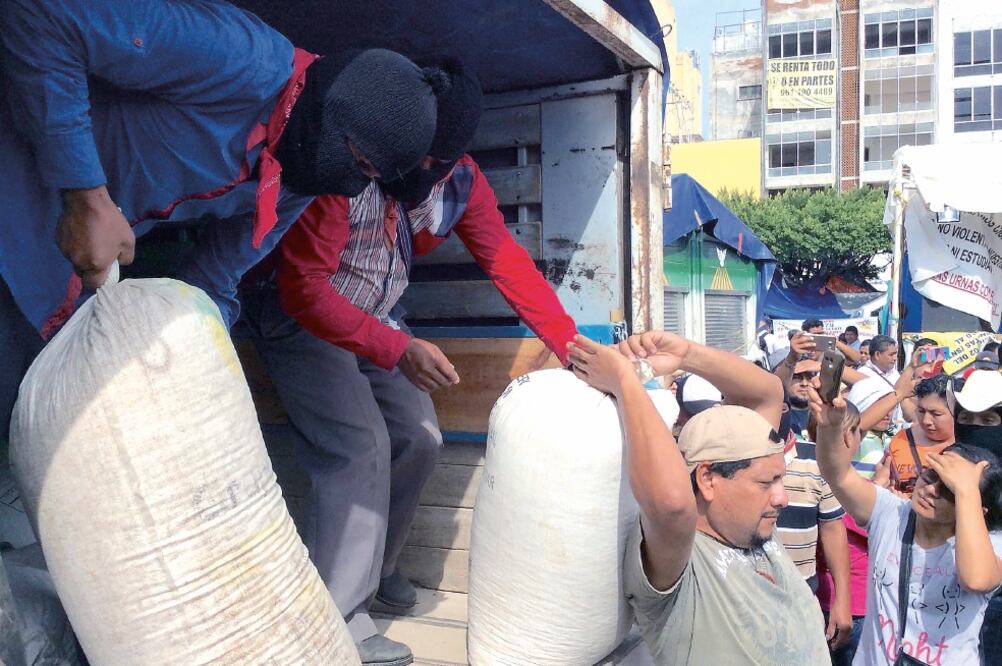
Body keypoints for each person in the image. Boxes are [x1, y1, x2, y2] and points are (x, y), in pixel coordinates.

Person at [239, 57, 578, 666]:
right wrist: (399, 349)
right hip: (300, 315)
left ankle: (375, 569)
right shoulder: (352, 169)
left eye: (433, 162)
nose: (420, 171)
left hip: (376, 316)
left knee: (421, 437)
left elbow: (506, 261)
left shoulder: (459, 183)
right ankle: (339, 618)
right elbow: (304, 289)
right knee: (359, 445)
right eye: (414, 159)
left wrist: (571, 347)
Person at [0, 0, 445, 433]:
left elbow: (215, 278)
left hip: (56, 275)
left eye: (369, 178)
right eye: (360, 164)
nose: (349, 185)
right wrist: (86, 194)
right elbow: (42, 14)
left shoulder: (299, 176)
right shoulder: (241, 58)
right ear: (335, 114)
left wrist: (205, 366)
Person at [567, 330, 832, 665]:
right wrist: (624, 380)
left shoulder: (750, 524)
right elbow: (672, 505)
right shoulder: (683, 558)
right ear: (707, 479)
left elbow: (769, 393)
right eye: (767, 483)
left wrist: (685, 355)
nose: (781, 498)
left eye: (780, 479)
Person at [813, 389, 1002, 666]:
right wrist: (829, 429)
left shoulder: (992, 543)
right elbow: (837, 474)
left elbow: (976, 580)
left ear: (975, 507)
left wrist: (966, 490)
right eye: (931, 475)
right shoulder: (890, 513)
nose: (931, 490)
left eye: (948, 490)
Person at [886, 375, 955, 494]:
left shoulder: (970, 445)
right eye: (921, 411)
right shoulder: (901, 440)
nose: (926, 421)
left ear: (956, 412)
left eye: (936, 414)